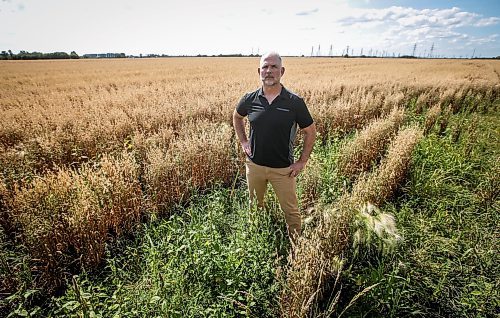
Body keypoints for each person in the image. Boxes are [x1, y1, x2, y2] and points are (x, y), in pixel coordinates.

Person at [232, 52, 316, 242]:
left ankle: (296, 246)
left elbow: (310, 131)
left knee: (291, 211)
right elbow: (237, 117)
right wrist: (244, 142)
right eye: (265, 67)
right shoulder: (249, 99)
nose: (269, 71)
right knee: (255, 205)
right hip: (254, 167)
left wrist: (302, 161)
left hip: (283, 170)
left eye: (273, 67)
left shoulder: (295, 102)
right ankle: (256, 240)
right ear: (259, 71)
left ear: (282, 71)